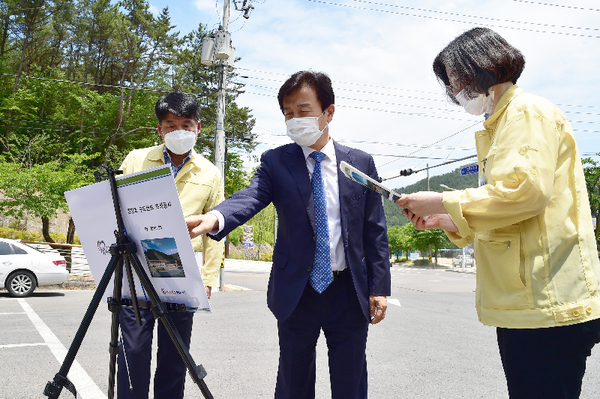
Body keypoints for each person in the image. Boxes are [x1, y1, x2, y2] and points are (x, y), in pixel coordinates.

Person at [395, 27, 600, 398]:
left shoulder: (525, 112)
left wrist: (443, 202)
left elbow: (525, 192)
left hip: (544, 301)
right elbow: (512, 209)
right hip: (528, 301)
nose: (455, 91)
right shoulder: (502, 122)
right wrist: (450, 220)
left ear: (482, 66)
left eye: (456, 79)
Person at [186, 70, 391, 399]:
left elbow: (374, 230)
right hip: (298, 292)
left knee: (351, 381)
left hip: (348, 292)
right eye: (287, 113)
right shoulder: (276, 161)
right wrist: (215, 217)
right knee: (293, 381)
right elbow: (251, 196)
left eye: (303, 110)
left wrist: (379, 287)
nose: (295, 119)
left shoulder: (360, 163)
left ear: (329, 112)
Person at [117, 91, 224, 399]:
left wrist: (207, 279)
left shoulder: (210, 173)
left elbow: (214, 230)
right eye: (171, 124)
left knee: (175, 356)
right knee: (133, 352)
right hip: (135, 271)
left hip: (181, 272)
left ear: (198, 128)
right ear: (159, 129)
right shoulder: (137, 159)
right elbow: (117, 209)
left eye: (186, 124)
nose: (180, 131)